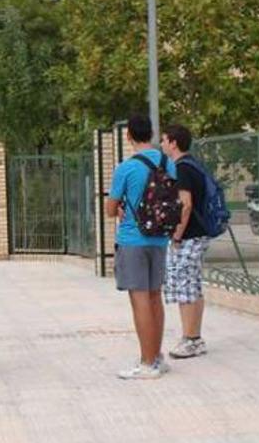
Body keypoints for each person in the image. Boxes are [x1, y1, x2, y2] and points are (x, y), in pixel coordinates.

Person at [106, 115, 177, 380]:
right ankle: (157, 357)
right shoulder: (168, 163)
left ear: (129, 136)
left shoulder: (126, 168)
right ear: (152, 134)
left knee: (139, 301)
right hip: (160, 238)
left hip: (133, 240)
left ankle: (147, 363)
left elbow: (111, 208)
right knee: (155, 296)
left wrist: (122, 205)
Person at [160, 124, 211, 359]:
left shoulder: (181, 169)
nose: (162, 145)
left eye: (164, 140)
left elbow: (186, 204)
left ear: (173, 143)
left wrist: (177, 235)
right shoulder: (193, 165)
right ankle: (195, 337)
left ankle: (190, 339)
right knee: (193, 285)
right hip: (199, 233)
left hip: (188, 236)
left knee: (185, 287)